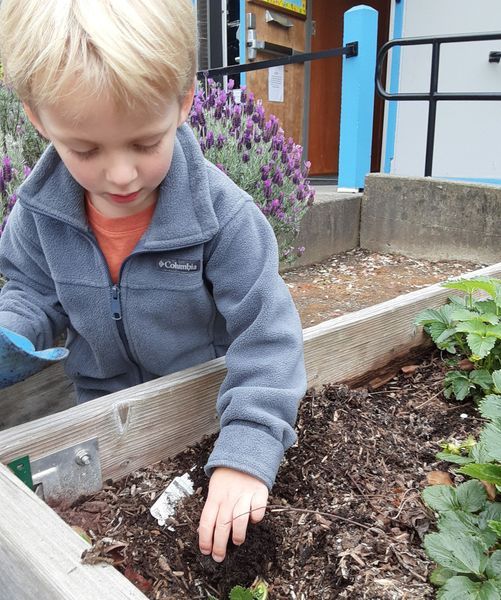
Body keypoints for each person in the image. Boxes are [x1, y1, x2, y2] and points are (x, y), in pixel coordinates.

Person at [0, 0, 306, 563]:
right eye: (85, 149)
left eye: (145, 143)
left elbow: (268, 337)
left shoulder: (225, 218)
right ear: (39, 120)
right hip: (102, 416)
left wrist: (245, 454)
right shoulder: (38, 215)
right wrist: (13, 332)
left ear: (185, 100)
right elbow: (31, 292)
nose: (120, 174)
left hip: (205, 417)